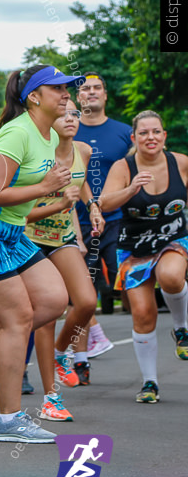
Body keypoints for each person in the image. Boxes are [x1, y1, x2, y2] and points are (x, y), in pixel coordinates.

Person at [0, 64, 84, 445]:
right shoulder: (17, 132)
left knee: (54, 300)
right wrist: (45, 186)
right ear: (35, 96)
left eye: (68, 89)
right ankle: (8, 420)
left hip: (9, 232)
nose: (67, 95)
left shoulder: (46, 135)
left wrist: (48, 188)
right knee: (18, 318)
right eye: (60, 89)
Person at [99, 110, 188, 403]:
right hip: (135, 246)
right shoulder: (124, 167)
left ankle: (181, 329)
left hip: (174, 238)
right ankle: (150, 383)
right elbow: (104, 202)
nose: (150, 137)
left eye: (155, 132)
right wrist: (131, 188)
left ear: (164, 136)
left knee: (172, 276)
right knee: (142, 313)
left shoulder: (181, 163)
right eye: (144, 133)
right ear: (135, 138)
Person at [23, 107, 103, 419]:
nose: (70, 118)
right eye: (63, 113)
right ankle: (50, 398)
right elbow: (21, 208)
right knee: (48, 314)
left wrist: (93, 205)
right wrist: (59, 203)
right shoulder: (38, 153)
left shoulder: (82, 150)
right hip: (31, 237)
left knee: (86, 302)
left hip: (63, 236)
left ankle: (60, 353)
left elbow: (80, 183)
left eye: (75, 113)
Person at [76, 73, 132, 333]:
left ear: (106, 95)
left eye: (97, 88)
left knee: (127, 284)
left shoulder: (125, 133)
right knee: (79, 294)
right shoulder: (68, 129)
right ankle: (82, 351)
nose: (92, 92)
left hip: (117, 219)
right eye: (86, 88)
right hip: (76, 222)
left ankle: (141, 337)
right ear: (78, 97)